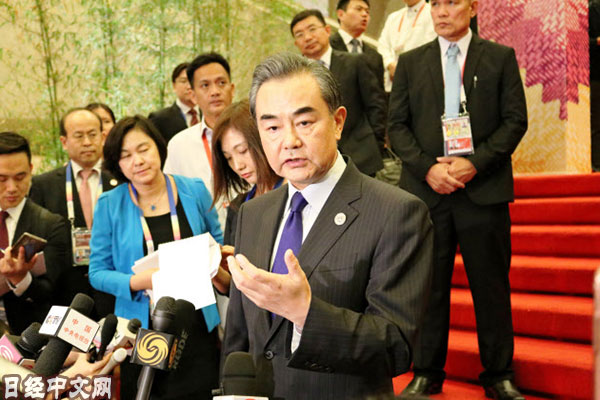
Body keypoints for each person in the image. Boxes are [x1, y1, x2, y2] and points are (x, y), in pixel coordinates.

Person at [222, 52, 433, 399]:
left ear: (337, 122)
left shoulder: (396, 213)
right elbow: (239, 336)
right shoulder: (253, 213)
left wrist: (305, 312)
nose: (289, 141)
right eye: (272, 127)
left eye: (304, 122)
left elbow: (395, 347)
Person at [387, 1, 528, 399]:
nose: (441, 11)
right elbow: (396, 127)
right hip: (428, 194)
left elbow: (515, 120)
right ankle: (426, 372)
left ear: (473, 7)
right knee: (428, 288)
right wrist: (428, 170)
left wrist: (474, 164)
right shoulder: (411, 62)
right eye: (435, 3)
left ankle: (498, 374)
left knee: (490, 287)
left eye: (451, 2)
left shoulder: (499, 57)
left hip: (482, 192)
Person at [88, 116, 230, 399]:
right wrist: (144, 280)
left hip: (196, 321)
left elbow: (218, 243)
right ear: (117, 163)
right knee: (150, 392)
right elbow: (97, 272)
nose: (138, 161)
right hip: (143, 327)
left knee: (200, 391)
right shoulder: (109, 204)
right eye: (126, 156)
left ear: (159, 148)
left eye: (144, 149)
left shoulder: (194, 190)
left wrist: (215, 262)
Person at [30, 108, 118, 318]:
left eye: (93, 134)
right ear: (64, 141)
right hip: (64, 292)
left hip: (113, 287)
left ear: (103, 137)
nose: (87, 142)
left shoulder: (121, 179)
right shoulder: (44, 185)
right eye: (79, 136)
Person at [291, 9, 387, 177]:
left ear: (327, 30)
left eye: (312, 29)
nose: (307, 37)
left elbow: (376, 106)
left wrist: (376, 145)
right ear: (296, 43)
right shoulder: (294, 77)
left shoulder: (355, 62)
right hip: (316, 162)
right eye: (300, 34)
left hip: (361, 157)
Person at [0, 132, 70, 335]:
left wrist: (21, 278)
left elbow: (53, 293)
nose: (12, 188)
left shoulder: (50, 225)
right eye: (2, 179)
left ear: (31, 170)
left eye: (20, 177)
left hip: (25, 336)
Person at [164, 53, 236, 228]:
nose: (215, 91)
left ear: (232, 89)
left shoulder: (256, 134)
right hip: (205, 236)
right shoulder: (179, 145)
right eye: (205, 85)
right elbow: (170, 198)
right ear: (193, 96)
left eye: (221, 83)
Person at [212, 100, 283, 246]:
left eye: (242, 151)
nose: (238, 166)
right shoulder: (237, 207)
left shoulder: (295, 193)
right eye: (228, 158)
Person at [377, 0, 437, 92]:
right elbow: (382, 45)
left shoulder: (433, 14)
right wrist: (390, 64)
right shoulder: (393, 17)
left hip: (416, 84)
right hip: (389, 83)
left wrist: (402, 69)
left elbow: (430, 49)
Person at [330, 0, 385, 90]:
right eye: (359, 9)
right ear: (341, 14)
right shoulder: (328, 46)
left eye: (367, 12)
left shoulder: (375, 57)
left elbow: (378, 93)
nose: (364, 14)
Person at [149, 62, 201, 144]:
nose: (189, 86)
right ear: (174, 85)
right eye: (183, 81)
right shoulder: (160, 119)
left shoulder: (209, 114)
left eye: (192, 81)